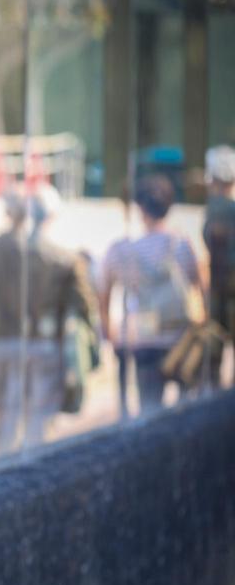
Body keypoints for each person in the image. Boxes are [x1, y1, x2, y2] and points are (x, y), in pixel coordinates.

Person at [0, 185, 98, 453]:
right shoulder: (62, 258)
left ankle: (4, 469)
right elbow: (83, 303)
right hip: (40, 343)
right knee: (37, 419)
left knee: (7, 416)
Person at [100, 174, 205, 416]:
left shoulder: (124, 249)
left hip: (143, 339)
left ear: (140, 208)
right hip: (180, 339)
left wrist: (110, 331)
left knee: (149, 411)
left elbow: (103, 292)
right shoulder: (183, 244)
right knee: (184, 412)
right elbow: (201, 286)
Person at [202, 145, 235, 387]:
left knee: (213, 358)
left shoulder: (216, 210)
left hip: (219, 294)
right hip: (221, 293)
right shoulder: (220, 209)